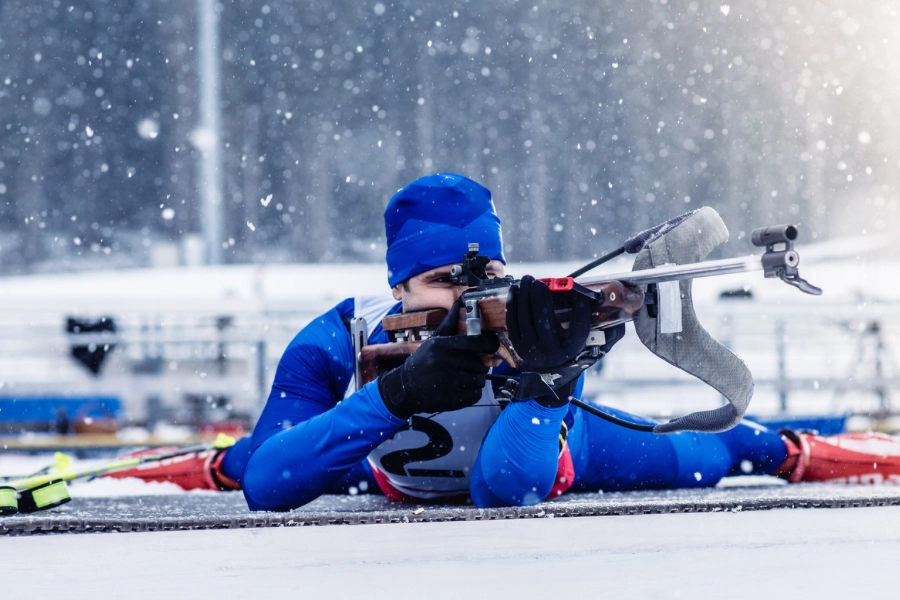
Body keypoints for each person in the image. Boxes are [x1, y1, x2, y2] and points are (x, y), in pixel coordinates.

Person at [108, 173, 900, 507]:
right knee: (247, 459)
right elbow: (270, 484)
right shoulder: (338, 338)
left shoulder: (532, 316)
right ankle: (171, 466)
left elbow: (504, 493)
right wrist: (399, 392)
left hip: (558, 454)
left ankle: (845, 450)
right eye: (447, 280)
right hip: (389, 479)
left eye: (487, 272)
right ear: (399, 290)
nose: (474, 294)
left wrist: (551, 378)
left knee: (738, 453)